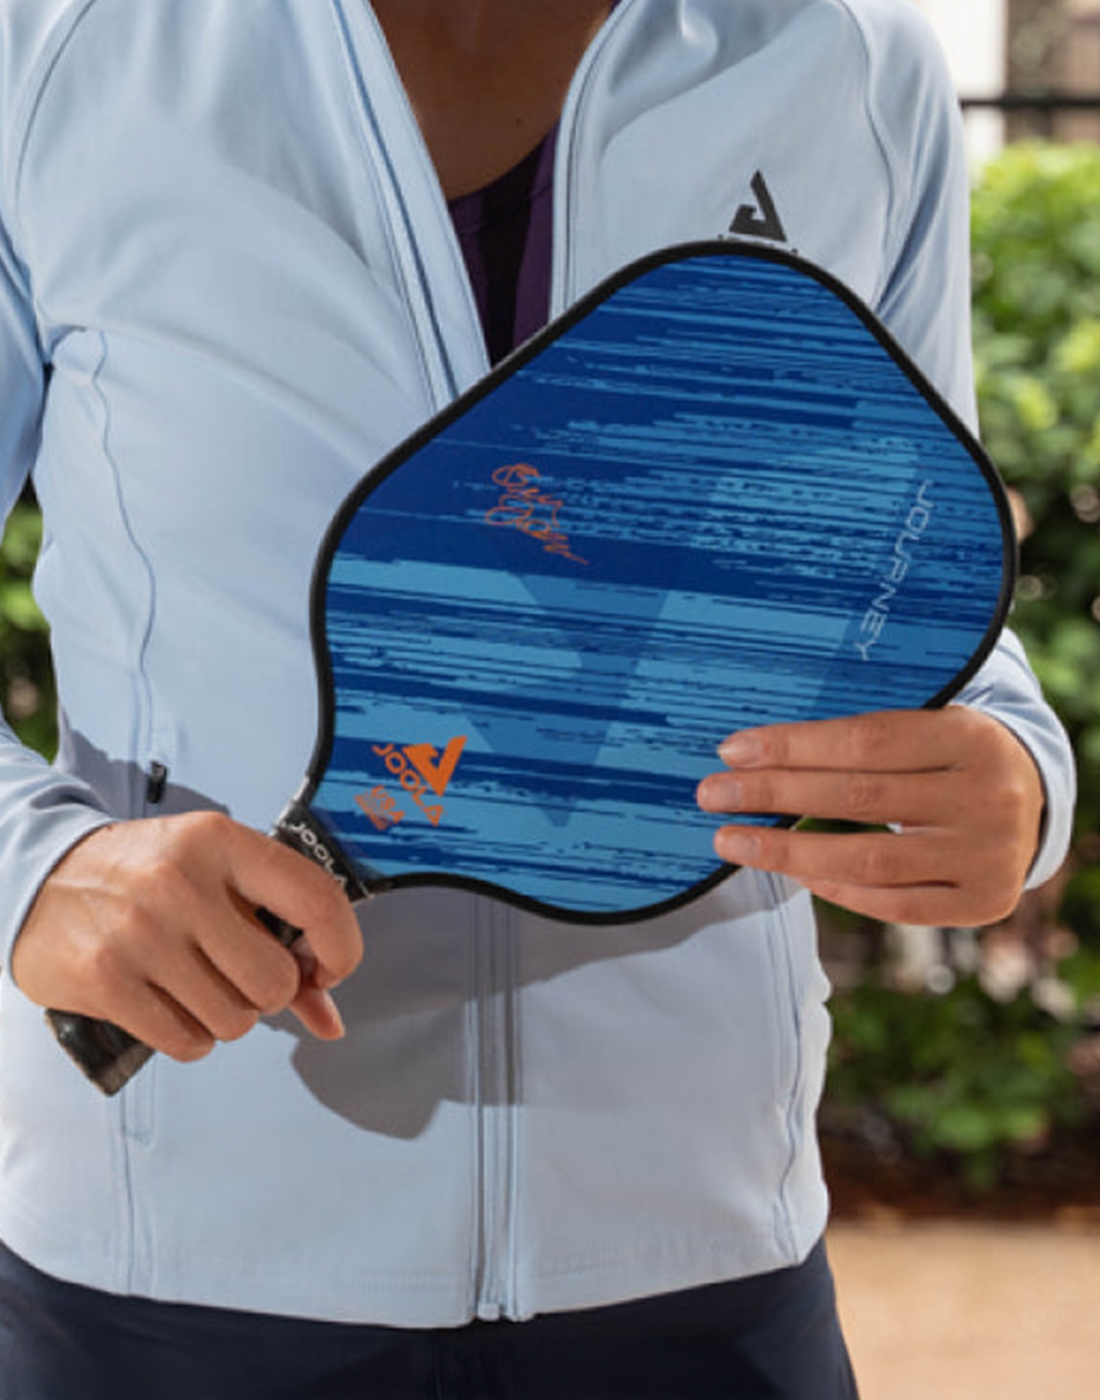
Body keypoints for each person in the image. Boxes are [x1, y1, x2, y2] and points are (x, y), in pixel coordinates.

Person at [0, 1, 1075, 1396]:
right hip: (171, 1277)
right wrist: (34, 869)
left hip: (702, 1270)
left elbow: (899, 548)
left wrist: (1019, 773)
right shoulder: (59, 44)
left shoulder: (849, 56)